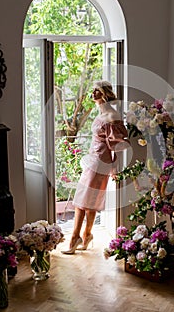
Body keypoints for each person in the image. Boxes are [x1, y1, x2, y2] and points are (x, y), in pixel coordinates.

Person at [62, 80, 130, 254]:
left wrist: (115, 167)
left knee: (81, 201)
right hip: (93, 160)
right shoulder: (102, 113)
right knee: (89, 202)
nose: (93, 94)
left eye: (96, 91)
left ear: (104, 93)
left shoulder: (111, 116)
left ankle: (75, 238)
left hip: (101, 164)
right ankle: (86, 235)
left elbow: (118, 144)